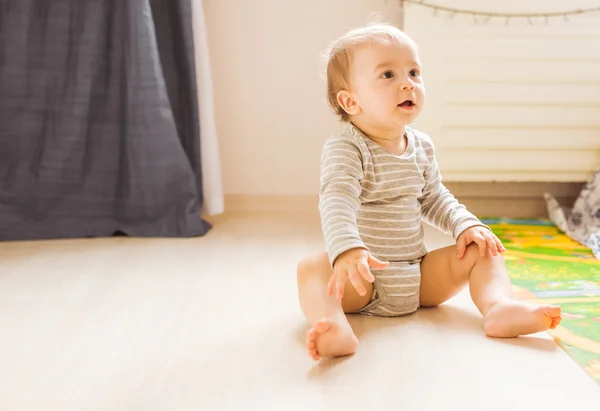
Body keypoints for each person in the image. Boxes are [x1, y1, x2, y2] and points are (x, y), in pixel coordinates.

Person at [296, 23, 562, 361]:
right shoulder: (347, 149)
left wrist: (465, 225)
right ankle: (332, 325)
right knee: (312, 268)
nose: (408, 82)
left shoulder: (421, 145)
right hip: (364, 282)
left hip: (419, 277)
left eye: (413, 72)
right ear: (350, 101)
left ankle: (498, 308)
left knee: (484, 248)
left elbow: (434, 197)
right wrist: (347, 250)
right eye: (388, 75)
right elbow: (337, 200)